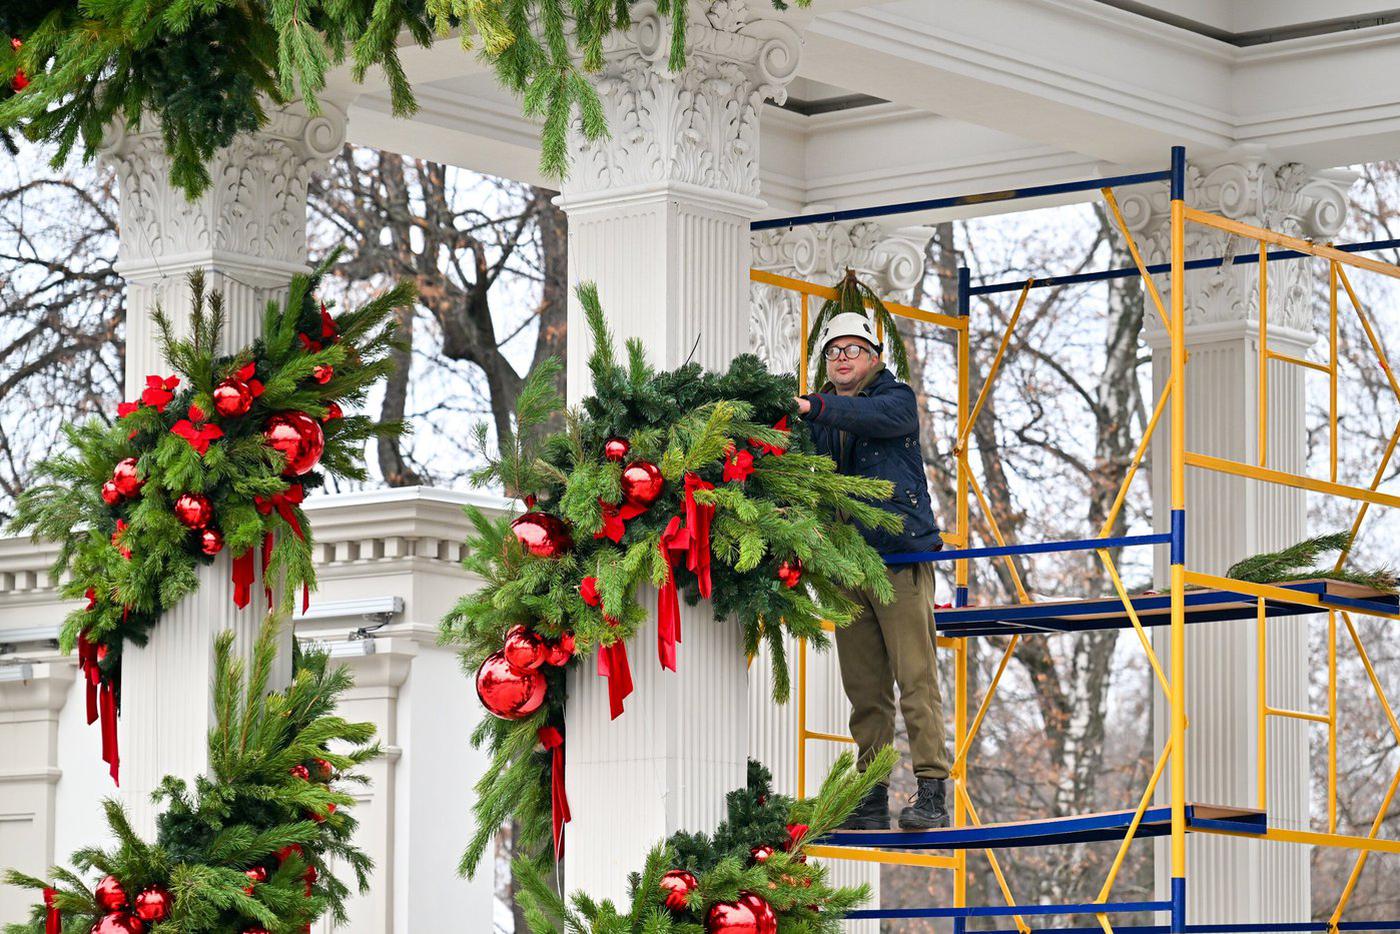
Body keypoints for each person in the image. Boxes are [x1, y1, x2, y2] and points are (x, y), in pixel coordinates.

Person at [794, 311, 951, 830]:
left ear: (875, 358)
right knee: (864, 690)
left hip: (898, 561)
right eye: (833, 351)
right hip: (846, 565)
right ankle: (871, 794)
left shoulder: (896, 400)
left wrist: (812, 406)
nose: (841, 358)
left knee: (916, 680)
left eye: (852, 349)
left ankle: (931, 791)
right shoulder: (823, 415)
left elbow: (871, 418)